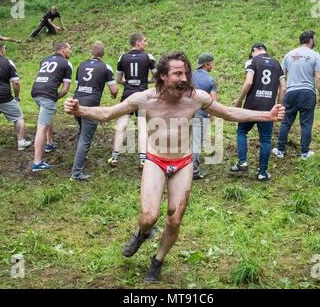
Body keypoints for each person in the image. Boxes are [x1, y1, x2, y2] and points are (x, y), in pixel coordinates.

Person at [64, 51, 285, 283]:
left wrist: (266, 115)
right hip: (156, 160)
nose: (184, 79)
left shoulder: (195, 97)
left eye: (186, 74)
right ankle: (143, 233)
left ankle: (157, 261)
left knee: (174, 218)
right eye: (178, 74)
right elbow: (108, 113)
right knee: (149, 216)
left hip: (183, 162)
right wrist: (81, 110)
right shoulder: (144, 99)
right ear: (161, 76)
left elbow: (229, 113)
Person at [231, 43, 286, 180]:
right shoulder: (277, 64)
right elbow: (283, 88)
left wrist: (239, 100)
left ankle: (242, 162)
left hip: (251, 105)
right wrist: (279, 105)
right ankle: (262, 173)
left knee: (242, 131)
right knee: (266, 140)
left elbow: (248, 82)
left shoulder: (252, 61)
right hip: (269, 108)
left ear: (254, 50)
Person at [272, 31, 320, 159]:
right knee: (306, 123)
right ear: (311, 40)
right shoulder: (315, 56)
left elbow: (280, 75)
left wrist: (281, 92)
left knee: (286, 122)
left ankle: (280, 150)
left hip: (291, 92)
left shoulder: (289, 55)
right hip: (307, 93)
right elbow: (318, 78)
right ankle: (305, 152)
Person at [70, 41, 118, 181]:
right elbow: (114, 90)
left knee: (81, 132)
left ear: (91, 53)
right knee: (85, 139)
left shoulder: (81, 65)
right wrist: (113, 95)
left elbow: (77, 85)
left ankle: (81, 157)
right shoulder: (106, 67)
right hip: (91, 107)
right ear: (104, 54)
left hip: (76, 103)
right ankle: (76, 173)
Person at [107, 33, 157, 169]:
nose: (146, 44)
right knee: (142, 127)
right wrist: (144, 81)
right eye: (145, 41)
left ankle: (114, 157)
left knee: (121, 125)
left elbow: (118, 79)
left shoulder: (122, 57)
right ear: (138, 42)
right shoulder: (148, 57)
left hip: (128, 95)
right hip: (142, 96)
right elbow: (157, 78)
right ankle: (142, 160)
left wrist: (129, 82)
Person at [31, 41, 72, 171]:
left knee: (48, 114)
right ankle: (37, 162)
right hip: (48, 94)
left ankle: (49, 143)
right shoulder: (66, 63)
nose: (71, 51)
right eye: (69, 49)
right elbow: (65, 89)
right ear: (63, 50)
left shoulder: (45, 59)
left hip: (35, 92)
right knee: (41, 128)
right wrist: (55, 98)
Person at [191, 52, 217, 180]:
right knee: (196, 143)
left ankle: (180, 168)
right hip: (200, 115)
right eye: (212, 63)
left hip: (185, 114)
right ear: (207, 64)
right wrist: (211, 115)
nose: (212, 65)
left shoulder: (189, 76)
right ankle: (194, 172)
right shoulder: (210, 80)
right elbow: (213, 102)